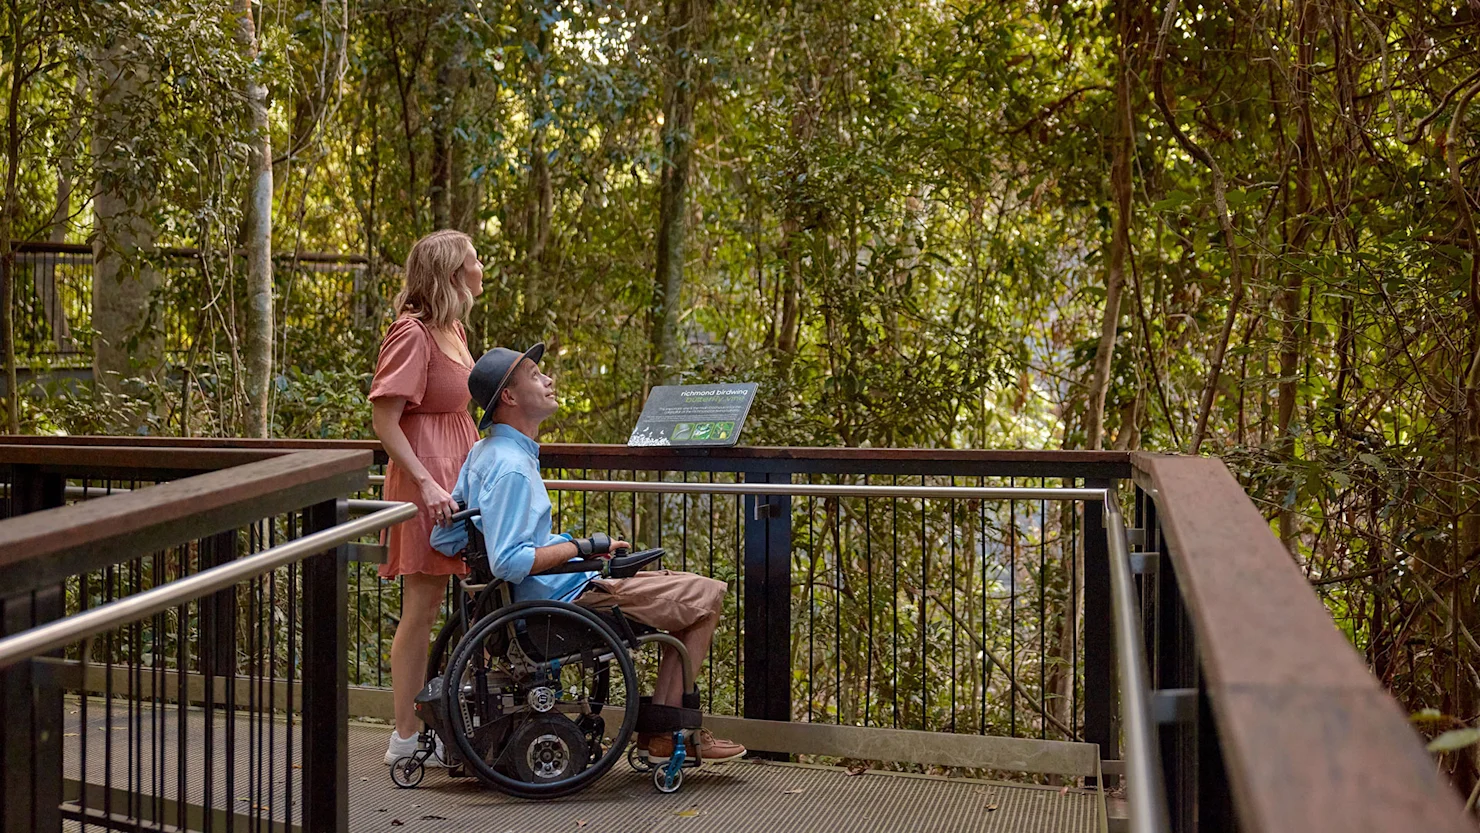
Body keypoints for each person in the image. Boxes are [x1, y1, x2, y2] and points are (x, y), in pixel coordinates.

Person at [430, 343, 746, 764]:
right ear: (509, 396)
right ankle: (667, 734)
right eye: (536, 375)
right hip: (557, 605)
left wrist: (581, 549)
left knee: (679, 589)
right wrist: (578, 547)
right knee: (707, 597)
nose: (548, 380)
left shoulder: (484, 453)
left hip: (550, 593)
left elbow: (445, 540)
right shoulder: (511, 468)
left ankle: (666, 730)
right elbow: (510, 561)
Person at [369, 229, 484, 766]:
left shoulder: (455, 329)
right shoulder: (411, 333)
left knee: (465, 599)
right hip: (426, 484)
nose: (481, 268)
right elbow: (385, 419)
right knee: (422, 604)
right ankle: (405, 736)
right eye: (474, 260)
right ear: (451, 273)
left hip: (459, 476)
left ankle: (446, 725)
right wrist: (426, 482)